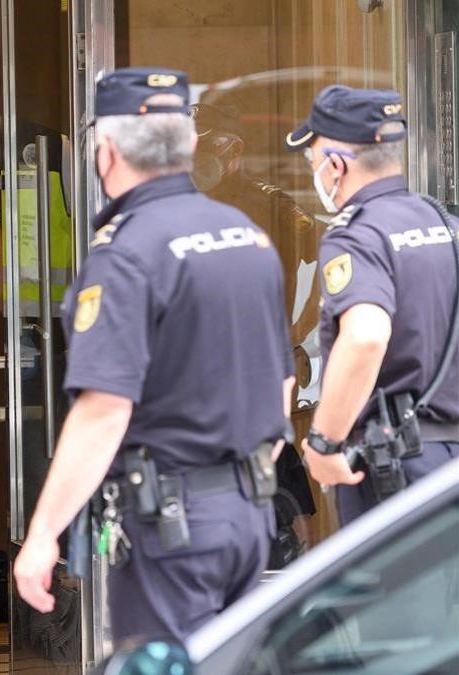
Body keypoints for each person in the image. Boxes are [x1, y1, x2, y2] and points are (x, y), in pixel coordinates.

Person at [13, 67, 296, 642]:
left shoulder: (126, 253)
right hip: (249, 512)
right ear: (189, 145)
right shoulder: (245, 233)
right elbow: (282, 383)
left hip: (175, 522)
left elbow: (103, 410)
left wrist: (43, 534)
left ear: (106, 150)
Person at [287, 85, 459, 525]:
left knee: (401, 596)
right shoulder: (446, 223)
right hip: (448, 459)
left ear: (336, 164)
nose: (314, 172)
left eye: (313, 160)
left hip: (400, 467)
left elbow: (365, 336)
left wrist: (324, 442)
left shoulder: (358, 236)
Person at [191, 103, 318, 567]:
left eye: (205, 146)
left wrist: (295, 333)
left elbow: (319, 267)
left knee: (269, 457)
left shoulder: (271, 206)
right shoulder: (179, 202)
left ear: (233, 151)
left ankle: (290, 551)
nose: (194, 157)